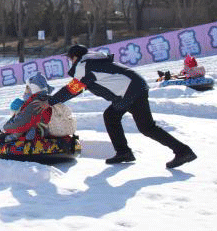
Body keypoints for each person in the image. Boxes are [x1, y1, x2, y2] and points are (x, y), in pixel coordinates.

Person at [34, 45, 196, 169]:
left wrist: (50, 101)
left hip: (131, 91)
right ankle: (124, 152)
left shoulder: (84, 65)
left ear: (75, 57)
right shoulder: (92, 61)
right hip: (131, 89)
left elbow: (73, 89)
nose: (70, 62)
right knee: (116, 117)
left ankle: (181, 151)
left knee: (142, 126)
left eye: (70, 59)